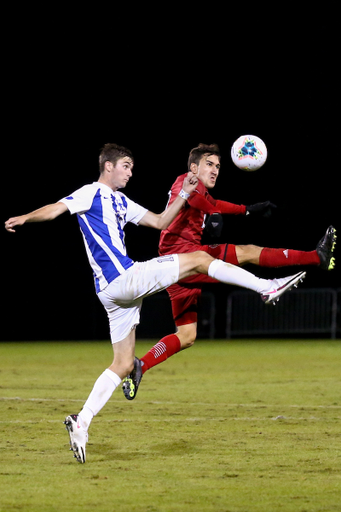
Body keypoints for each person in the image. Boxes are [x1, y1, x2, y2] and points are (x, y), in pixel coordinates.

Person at [5, 143, 306, 463]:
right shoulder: (90, 192)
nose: (130, 172)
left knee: (122, 363)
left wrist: (184, 194)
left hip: (112, 292)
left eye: (131, 167)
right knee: (200, 258)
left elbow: (162, 221)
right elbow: (55, 208)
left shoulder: (121, 201)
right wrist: (25, 217)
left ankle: (82, 422)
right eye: (125, 166)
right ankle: (266, 286)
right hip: (123, 278)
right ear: (108, 166)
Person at [122, 143, 336, 401]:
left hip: (178, 265)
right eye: (209, 165)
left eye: (218, 167)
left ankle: (140, 365)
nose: (215, 170)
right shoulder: (186, 182)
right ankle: (305, 264)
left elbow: (212, 203)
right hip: (184, 259)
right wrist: (220, 211)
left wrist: (247, 209)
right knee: (247, 252)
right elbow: (202, 202)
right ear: (194, 167)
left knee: (187, 335)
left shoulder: (198, 189)